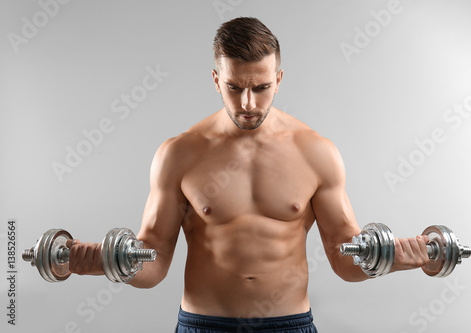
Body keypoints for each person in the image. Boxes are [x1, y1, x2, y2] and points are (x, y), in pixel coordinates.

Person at [67, 17, 431, 333]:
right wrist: (105, 263)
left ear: (279, 78)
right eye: (234, 87)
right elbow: (155, 260)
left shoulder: (316, 152)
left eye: (261, 88)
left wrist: (395, 258)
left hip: (288, 324)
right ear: (215, 79)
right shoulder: (179, 154)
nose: (248, 104)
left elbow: (344, 257)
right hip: (204, 325)